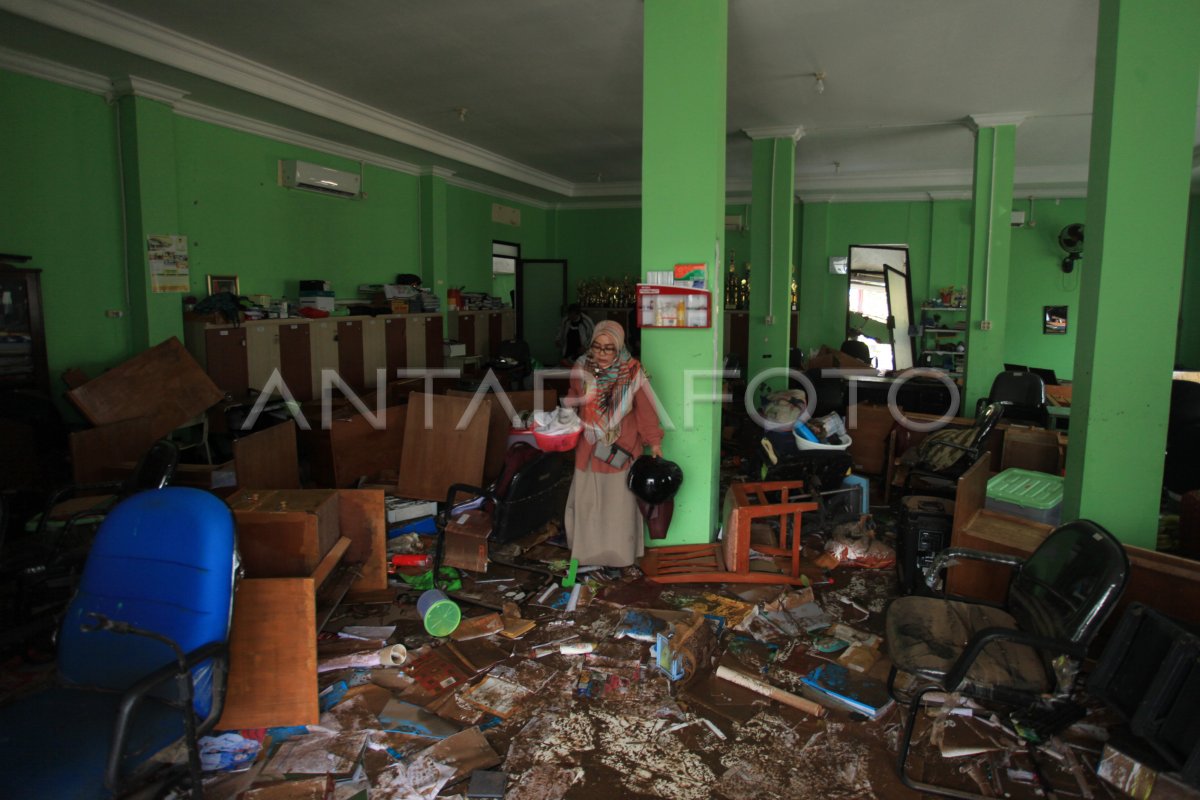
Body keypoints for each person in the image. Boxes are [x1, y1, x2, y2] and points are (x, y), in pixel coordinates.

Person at [564, 320, 663, 567]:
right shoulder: (581, 368)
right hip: (588, 448)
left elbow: (646, 411)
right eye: (597, 347)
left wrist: (654, 442)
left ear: (619, 347)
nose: (601, 353)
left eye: (609, 348)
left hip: (622, 450)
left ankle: (619, 558)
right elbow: (574, 396)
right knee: (588, 504)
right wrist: (564, 415)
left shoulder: (632, 373)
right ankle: (587, 555)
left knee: (617, 507)